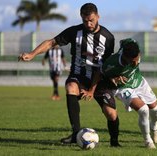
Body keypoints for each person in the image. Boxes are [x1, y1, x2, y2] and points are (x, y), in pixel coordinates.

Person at [18, 3, 121, 147]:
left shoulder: (108, 37)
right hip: (79, 75)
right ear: (81, 18)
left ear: (98, 16)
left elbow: (106, 65)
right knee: (71, 87)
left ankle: (114, 143)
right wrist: (32, 54)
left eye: (91, 20)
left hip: (100, 80)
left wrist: (93, 89)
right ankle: (76, 133)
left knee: (111, 113)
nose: (88, 23)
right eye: (85, 21)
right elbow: (51, 42)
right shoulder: (74, 31)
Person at [102, 38, 157, 149]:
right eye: (132, 61)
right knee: (143, 110)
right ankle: (148, 141)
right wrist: (114, 78)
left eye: (137, 58)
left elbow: (125, 41)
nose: (135, 62)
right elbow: (103, 74)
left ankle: (154, 128)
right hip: (123, 88)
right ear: (124, 57)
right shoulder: (112, 63)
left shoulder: (132, 47)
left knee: (155, 109)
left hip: (139, 82)